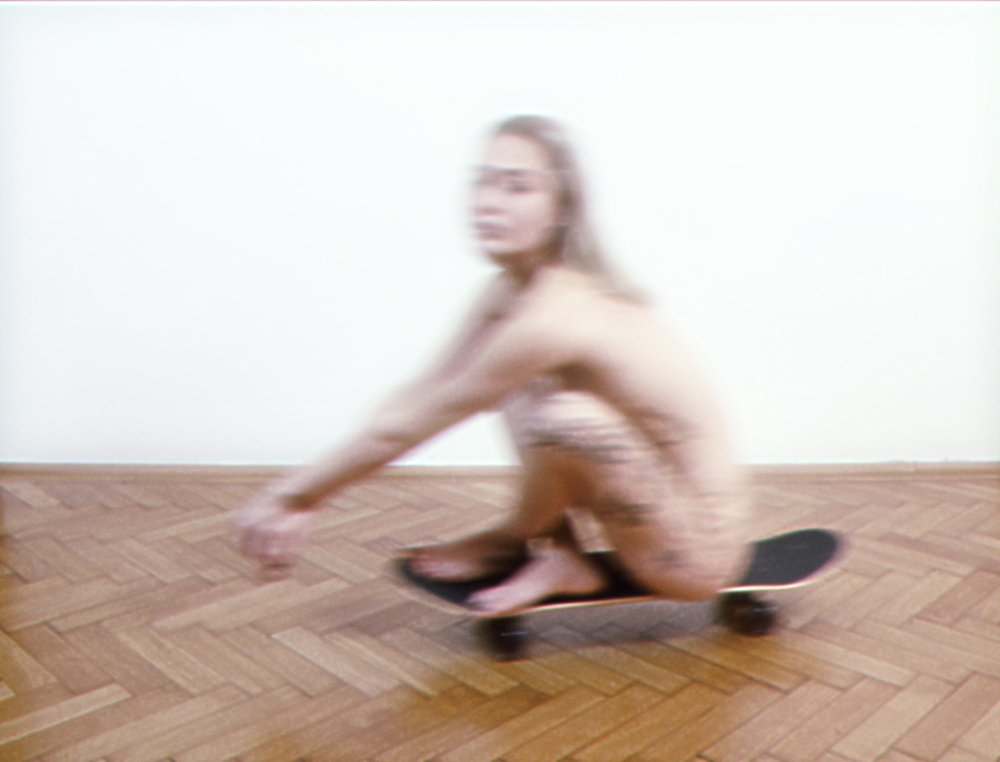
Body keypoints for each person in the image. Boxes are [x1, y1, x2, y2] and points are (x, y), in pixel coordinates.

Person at [234, 115, 750, 616]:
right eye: (482, 182)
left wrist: (296, 497)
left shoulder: (558, 315)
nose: (489, 202)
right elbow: (422, 394)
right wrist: (300, 489)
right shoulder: (507, 296)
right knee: (521, 386)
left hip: (695, 554)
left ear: (562, 208)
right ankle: (557, 552)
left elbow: (416, 424)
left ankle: (515, 539)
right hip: (640, 514)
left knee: (565, 414)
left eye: (517, 187)